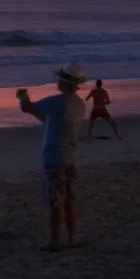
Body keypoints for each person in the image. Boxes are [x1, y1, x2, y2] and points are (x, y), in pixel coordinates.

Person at [17, 62, 86, 251]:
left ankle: (55, 242)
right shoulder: (79, 104)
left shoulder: (56, 102)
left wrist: (23, 97)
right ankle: (72, 238)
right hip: (70, 157)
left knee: (56, 203)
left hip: (54, 157)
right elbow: (50, 120)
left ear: (62, 83)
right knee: (70, 201)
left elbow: (27, 107)